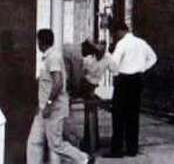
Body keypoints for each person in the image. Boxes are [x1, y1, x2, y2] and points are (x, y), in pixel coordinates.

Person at [26, 27, 93, 164]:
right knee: (34, 142)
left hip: (53, 110)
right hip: (43, 109)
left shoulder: (53, 57)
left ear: (40, 42)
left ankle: (84, 159)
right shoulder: (48, 58)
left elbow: (57, 83)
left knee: (56, 145)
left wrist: (49, 104)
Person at [103, 20, 156, 158]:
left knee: (119, 115)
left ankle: (117, 150)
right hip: (137, 80)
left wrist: (107, 55)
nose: (115, 36)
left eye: (114, 34)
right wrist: (143, 68)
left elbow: (114, 65)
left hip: (123, 80)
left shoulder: (122, 44)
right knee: (133, 115)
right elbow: (153, 58)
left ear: (119, 31)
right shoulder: (141, 42)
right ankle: (132, 149)